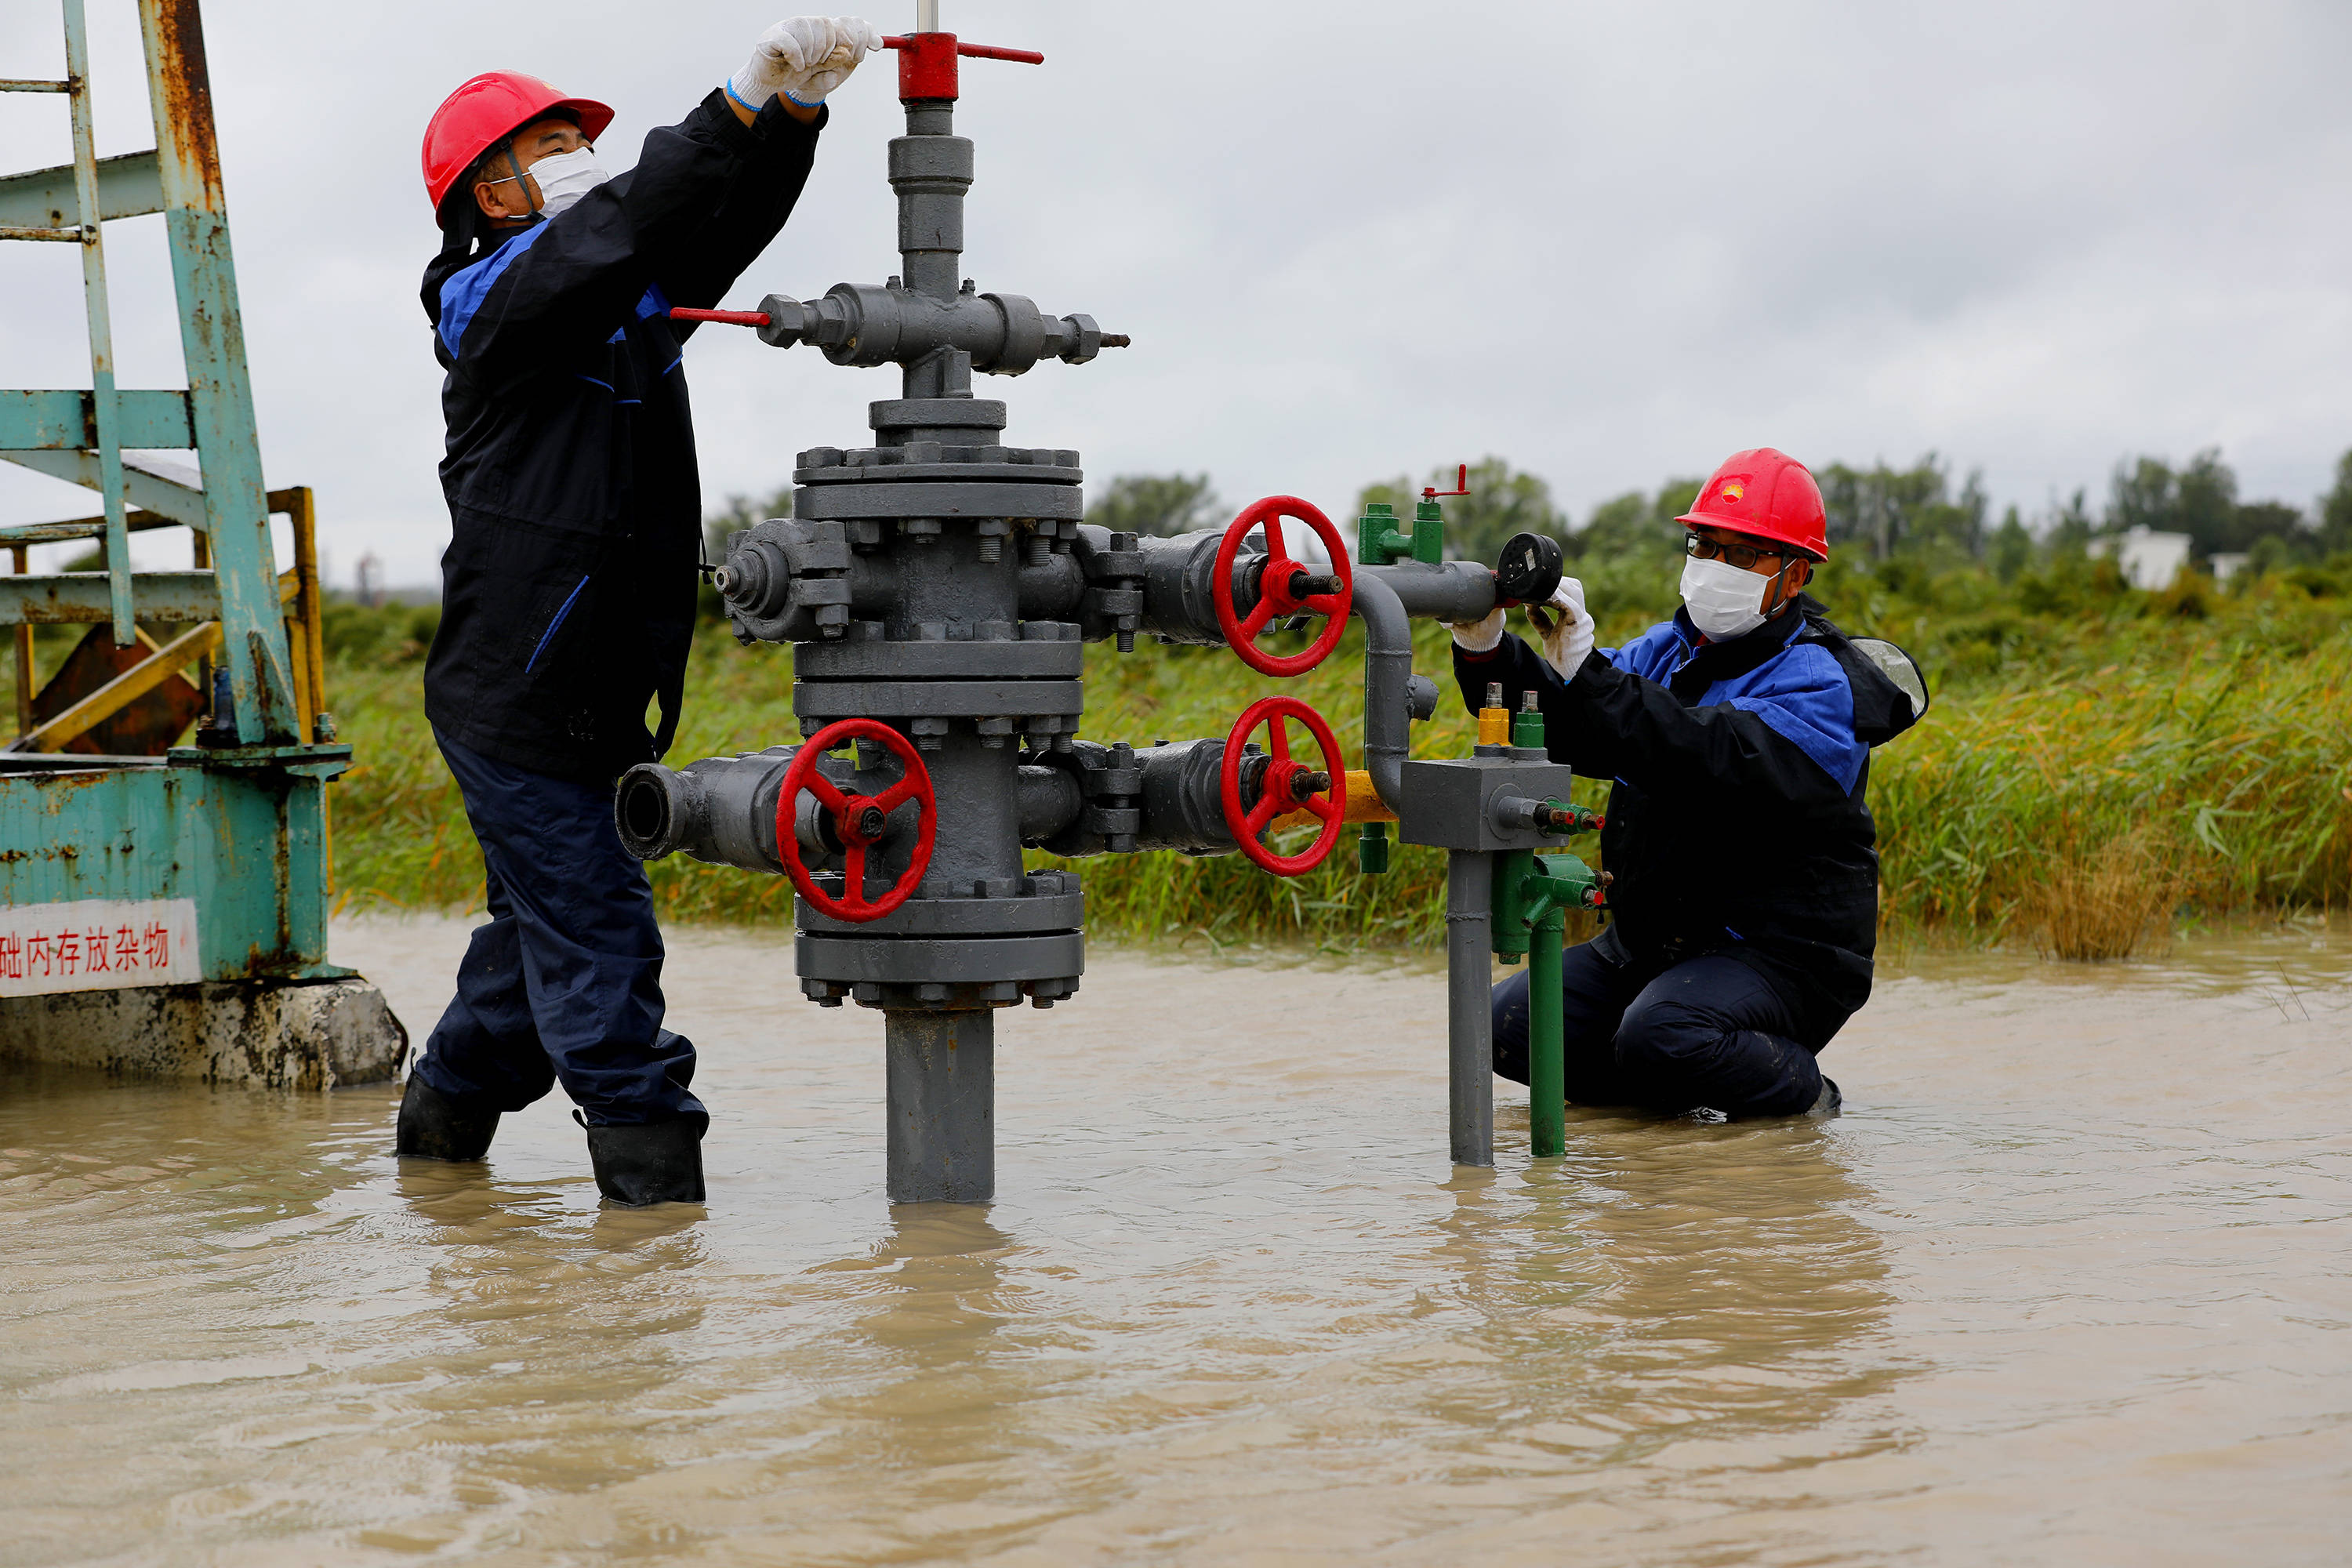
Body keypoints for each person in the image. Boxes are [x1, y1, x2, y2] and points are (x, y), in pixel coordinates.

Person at [395, 18, 883, 1205]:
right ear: (490, 194)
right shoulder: (487, 305)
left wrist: (790, 121)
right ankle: (654, 1255)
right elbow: (619, 229)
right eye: (548, 144)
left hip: (592, 693)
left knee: (527, 976)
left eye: (575, 137)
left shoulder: (615, 294)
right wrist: (727, 105)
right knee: (605, 960)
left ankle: (431, 1167)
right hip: (517, 699)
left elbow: (703, 227)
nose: (573, 157)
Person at [1450, 448, 1923, 1120]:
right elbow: (1577, 726)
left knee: (1665, 1035)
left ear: (1793, 577)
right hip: (1656, 939)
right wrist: (1488, 649)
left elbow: (1708, 753)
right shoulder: (1667, 650)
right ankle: (1665, 1117)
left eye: (1741, 553)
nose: (1712, 566)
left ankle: (1805, 1094)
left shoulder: (1821, 682)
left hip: (1778, 954)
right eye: (1703, 544)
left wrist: (1592, 677)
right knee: (1507, 1027)